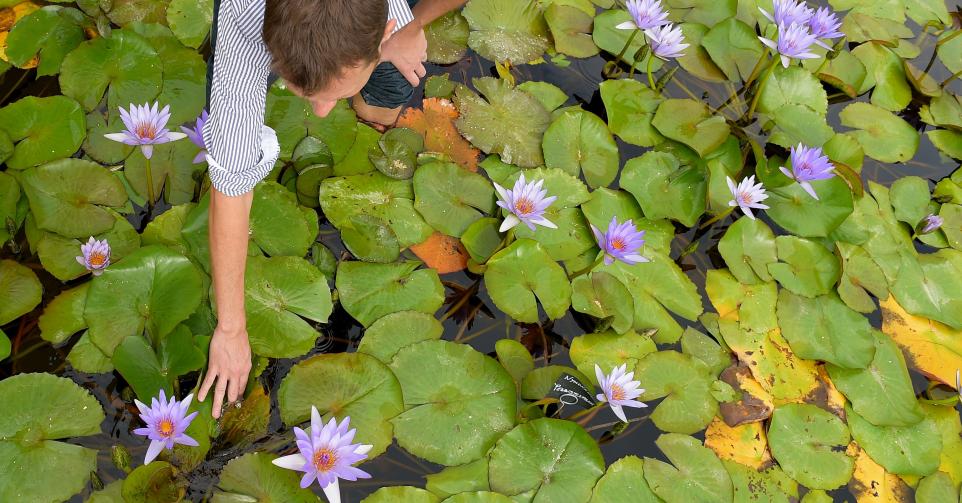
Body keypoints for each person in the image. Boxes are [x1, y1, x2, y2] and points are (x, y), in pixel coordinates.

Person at [198, 0, 466, 417]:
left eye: (334, 96)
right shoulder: (242, 22)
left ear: (382, 31)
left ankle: (373, 102)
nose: (321, 113)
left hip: (392, 27)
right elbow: (231, 189)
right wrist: (231, 328)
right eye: (304, 94)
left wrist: (414, 25)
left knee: (384, 96)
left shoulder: (390, 24)